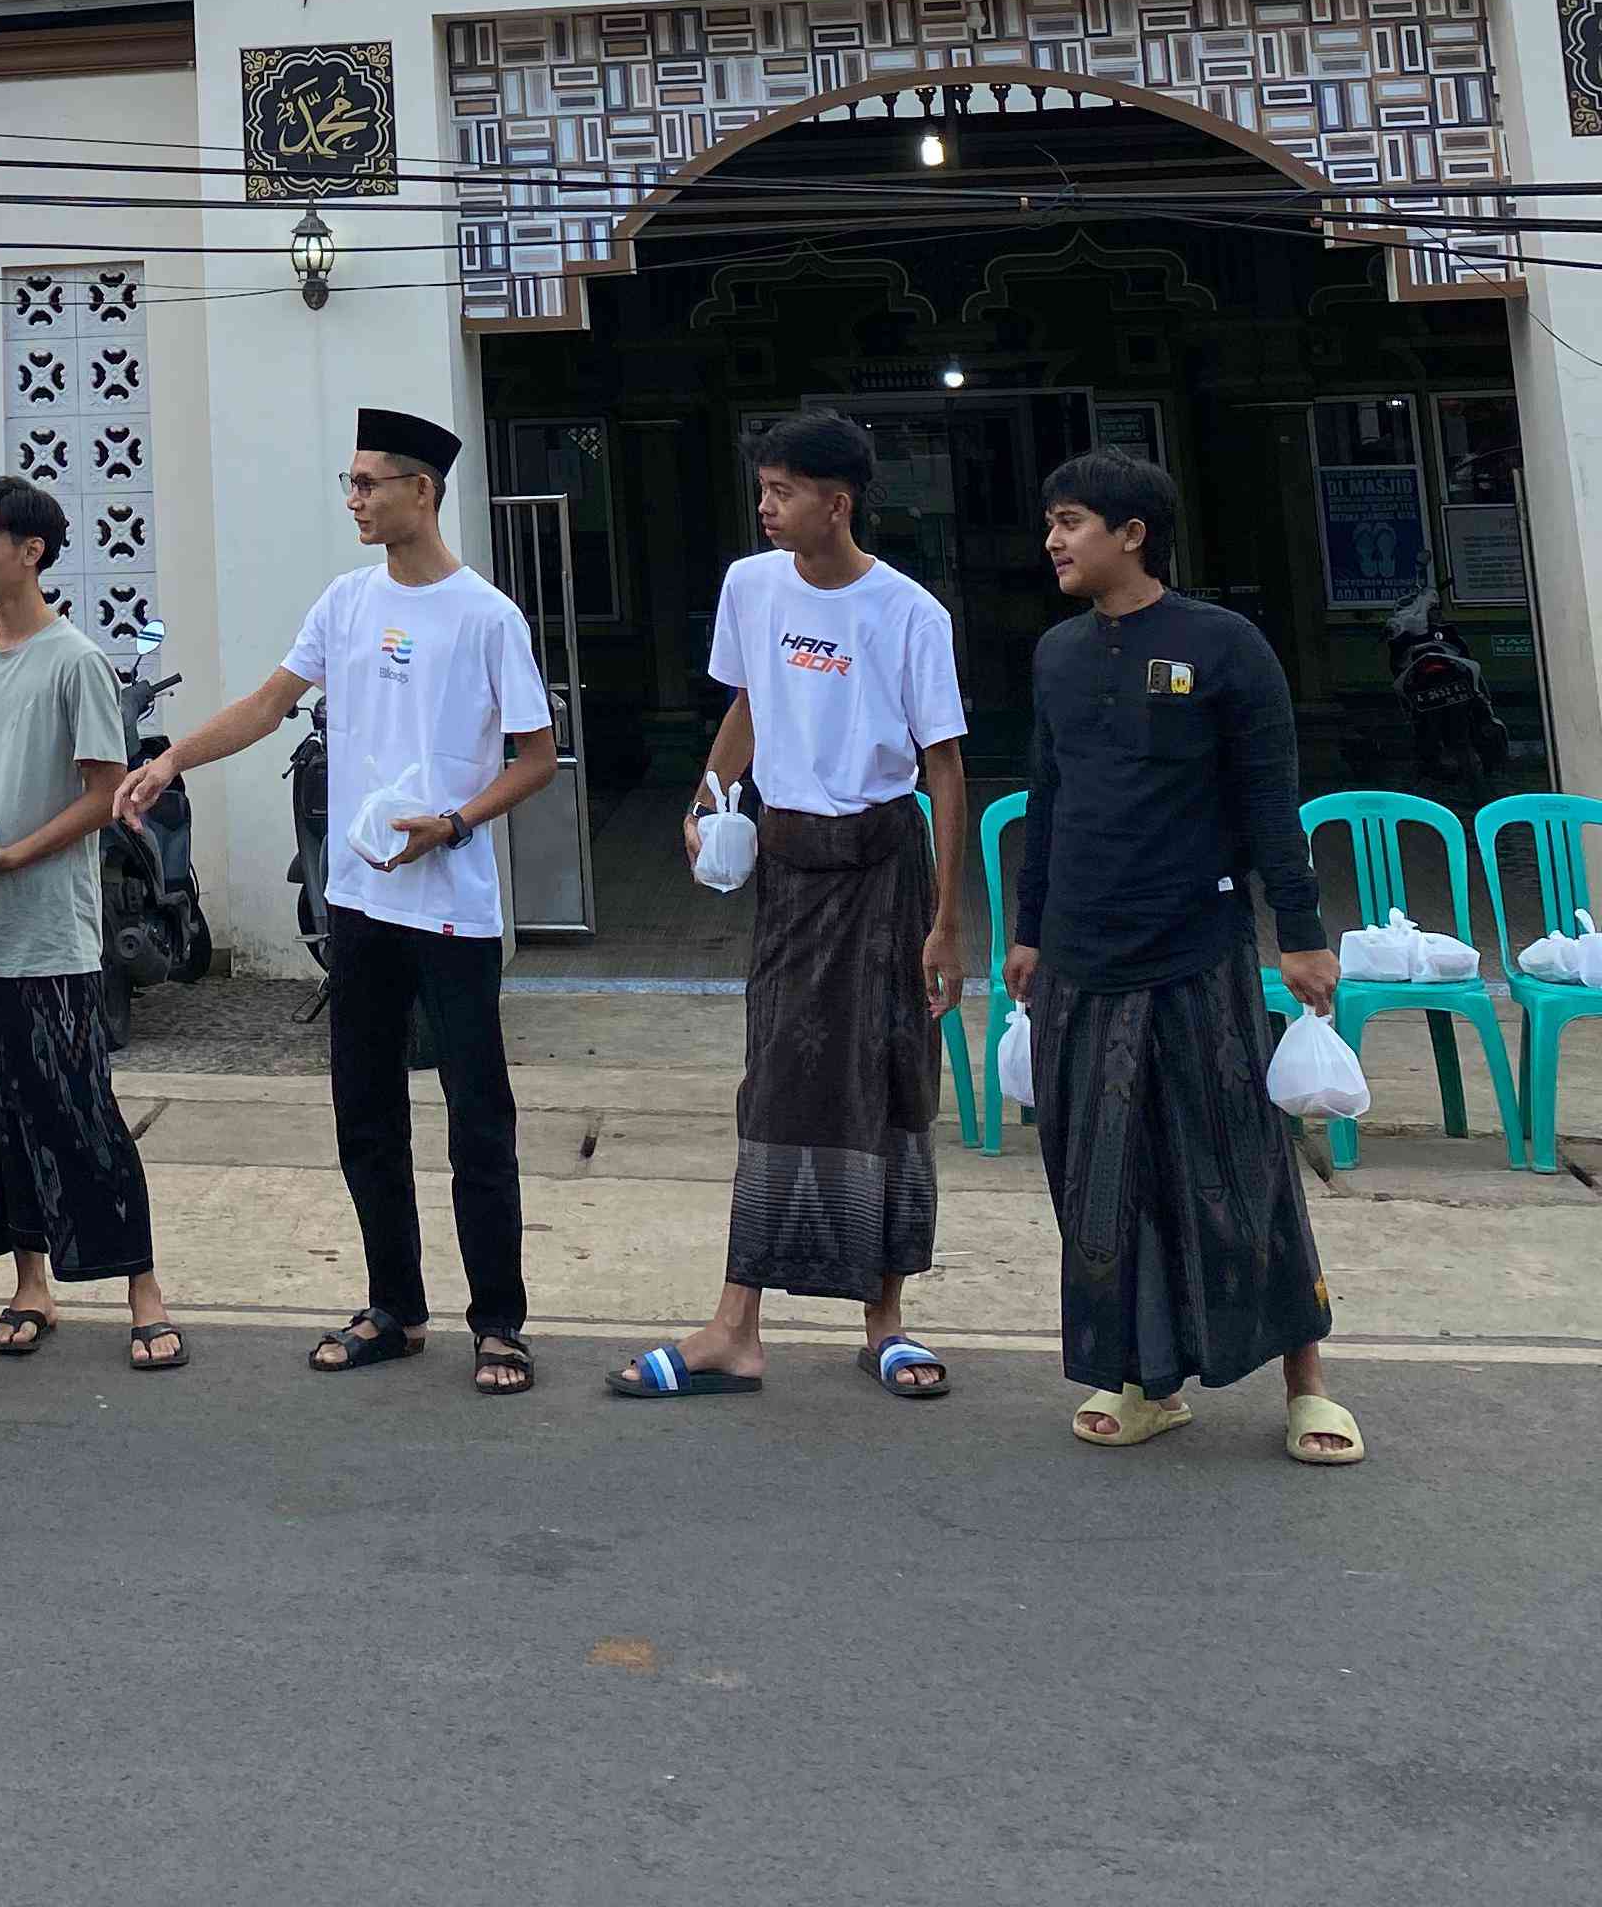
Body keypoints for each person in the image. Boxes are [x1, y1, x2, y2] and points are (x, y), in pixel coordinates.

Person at [117, 405, 556, 1397]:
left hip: (452, 909)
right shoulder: (346, 603)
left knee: (476, 1118)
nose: (353, 499)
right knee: (366, 1112)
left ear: (422, 491)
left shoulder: (488, 616)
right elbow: (270, 706)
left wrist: (452, 823)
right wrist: (173, 755)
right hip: (358, 904)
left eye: (369, 483)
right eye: (348, 483)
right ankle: (394, 1307)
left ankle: (501, 1322)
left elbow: (536, 761)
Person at [1007, 449, 1360, 1466]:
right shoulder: (1058, 656)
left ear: (1132, 534)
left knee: (1240, 1170)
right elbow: (1050, 800)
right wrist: (1027, 934)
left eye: (1072, 522)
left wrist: (1298, 933)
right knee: (1099, 1184)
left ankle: (1308, 1384)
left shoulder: (1225, 645)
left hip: (1194, 953)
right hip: (1079, 958)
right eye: (1050, 524)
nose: (1053, 541)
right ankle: (1141, 1380)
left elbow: (1265, 799)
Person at [613, 411, 967, 1406]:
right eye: (761, 490)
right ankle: (736, 1328)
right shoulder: (750, 586)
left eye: (781, 492)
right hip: (791, 866)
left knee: (893, 1079)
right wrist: (705, 800)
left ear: (836, 503)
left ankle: (886, 1322)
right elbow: (749, 704)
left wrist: (947, 920)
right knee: (776, 1082)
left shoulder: (910, 614)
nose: (764, 509)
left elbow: (944, 770)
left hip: (885, 868)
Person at [0, 475, 184, 1374]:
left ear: (30, 552)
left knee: (75, 1112)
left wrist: (24, 853)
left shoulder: (76, 663)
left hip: (48, 937)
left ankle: (144, 1292)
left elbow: (106, 796)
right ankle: (30, 1284)